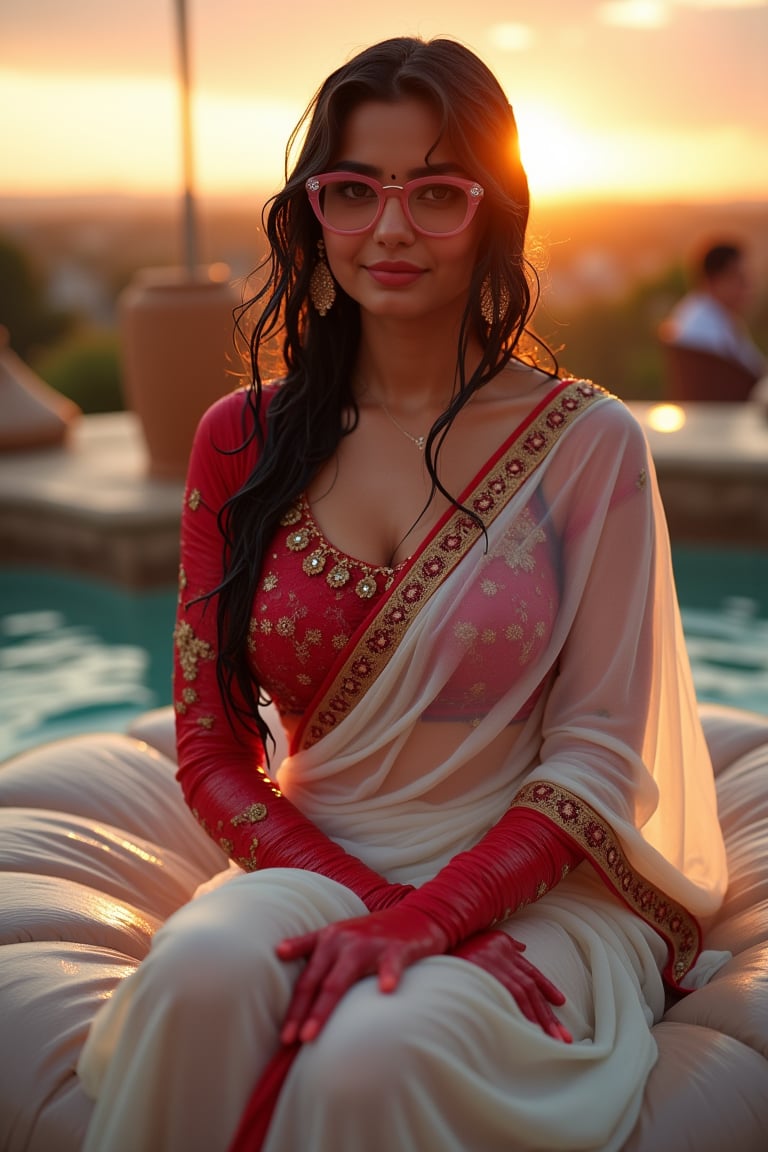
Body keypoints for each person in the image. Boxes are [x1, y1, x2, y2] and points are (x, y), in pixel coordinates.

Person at [77, 36, 731, 1152]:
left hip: (535, 881)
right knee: (194, 982)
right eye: (354, 191)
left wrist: (450, 916)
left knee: (374, 1054)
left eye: (436, 192)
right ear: (311, 212)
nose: (389, 228)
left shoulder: (585, 445)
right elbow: (212, 750)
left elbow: (597, 752)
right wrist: (390, 911)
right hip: (319, 854)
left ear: (495, 213)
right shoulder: (241, 441)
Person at [660, 240, 765, 381]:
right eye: (739, 277)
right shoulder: (705, 328)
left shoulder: (705, 314)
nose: (747, 286)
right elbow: (754, 376)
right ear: (714, 280)